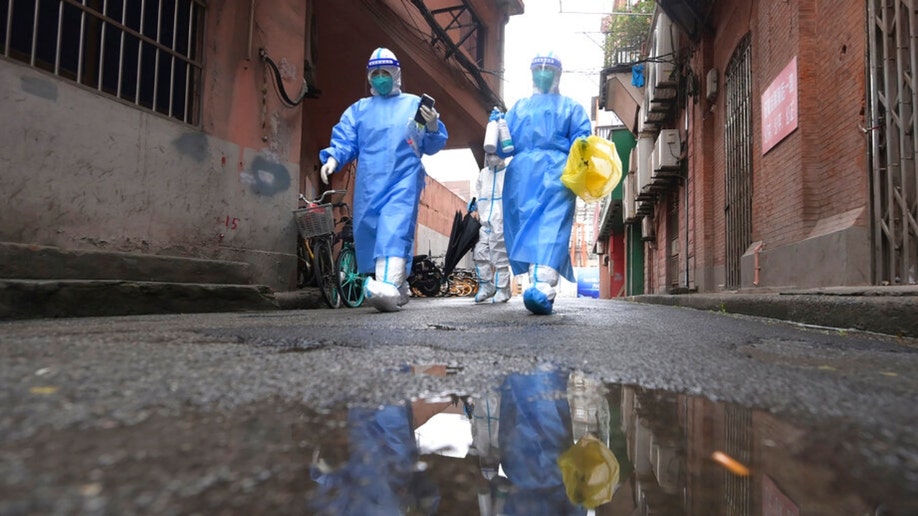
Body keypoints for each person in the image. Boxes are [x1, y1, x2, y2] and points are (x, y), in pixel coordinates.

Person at [319, 48, 448, 312]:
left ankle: (387, 284)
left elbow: (432, 145)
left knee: (394, 228)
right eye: (374, 73)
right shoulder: (359, 110)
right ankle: (398, 288)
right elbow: (345, 139)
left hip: (403, 179)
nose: (380, 78)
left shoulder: (414, 105)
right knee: (370, 231)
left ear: (396, 74)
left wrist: (433, 126)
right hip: (369, 183)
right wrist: (333, 158)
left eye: (384, 72)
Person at [496, 51, 591, 315]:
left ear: (558, 74)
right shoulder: (518, 108)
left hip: (558, 175)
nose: (543, 73)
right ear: (531, 72)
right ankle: (538, 286)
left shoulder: (571, 107)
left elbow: (582, 140)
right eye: (539, 68)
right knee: (523, 228)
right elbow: (504, 149)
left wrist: (579, 163)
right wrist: (497, 126)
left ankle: (542, 286)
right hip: (521, 178)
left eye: (549, 68)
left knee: (550, 229)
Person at [469, 153, 511, 303]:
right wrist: (474, 200)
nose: (491, 157)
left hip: (500, 220)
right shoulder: (483, 173)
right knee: (479, 253)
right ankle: (486, 286)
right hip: (484, 220)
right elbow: (478, 190)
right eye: (489, 154)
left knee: (500, 255)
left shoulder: (508, 172)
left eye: (495, 153)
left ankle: (502, 289)